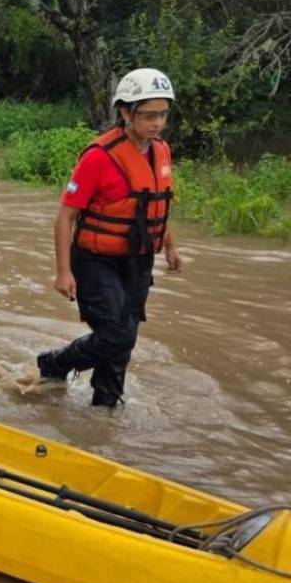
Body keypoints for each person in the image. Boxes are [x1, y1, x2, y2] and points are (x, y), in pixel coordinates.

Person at [35, 68, 182, 407]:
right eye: (148, 115)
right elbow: (66, 216)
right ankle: (54, 363)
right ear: (125, 112)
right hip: (95, 260)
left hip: (138, 260)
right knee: (116, 335)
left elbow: (154, 205)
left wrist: (171, 248)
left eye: (162, 114)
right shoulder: (98, 157)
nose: (157, 122)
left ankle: (105, 405)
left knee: (124, 338)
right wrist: (63, 271)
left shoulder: (161, 151)